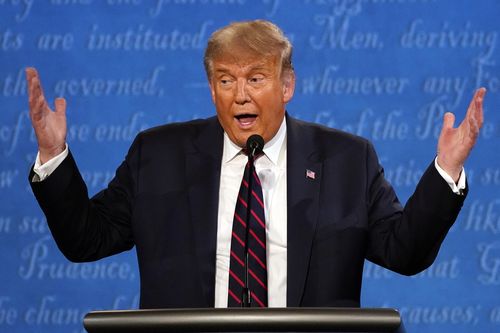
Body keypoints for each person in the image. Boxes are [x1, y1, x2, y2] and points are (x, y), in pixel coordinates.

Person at [26, 20, 486, 309]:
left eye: (255, 78)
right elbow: (86, 239)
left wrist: (445, 171)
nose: (240, 94)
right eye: (225, 79)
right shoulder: (158, 155)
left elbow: (403, 252)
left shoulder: (347, 160)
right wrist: (53, 156)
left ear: (287, 86)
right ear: (211, 89)